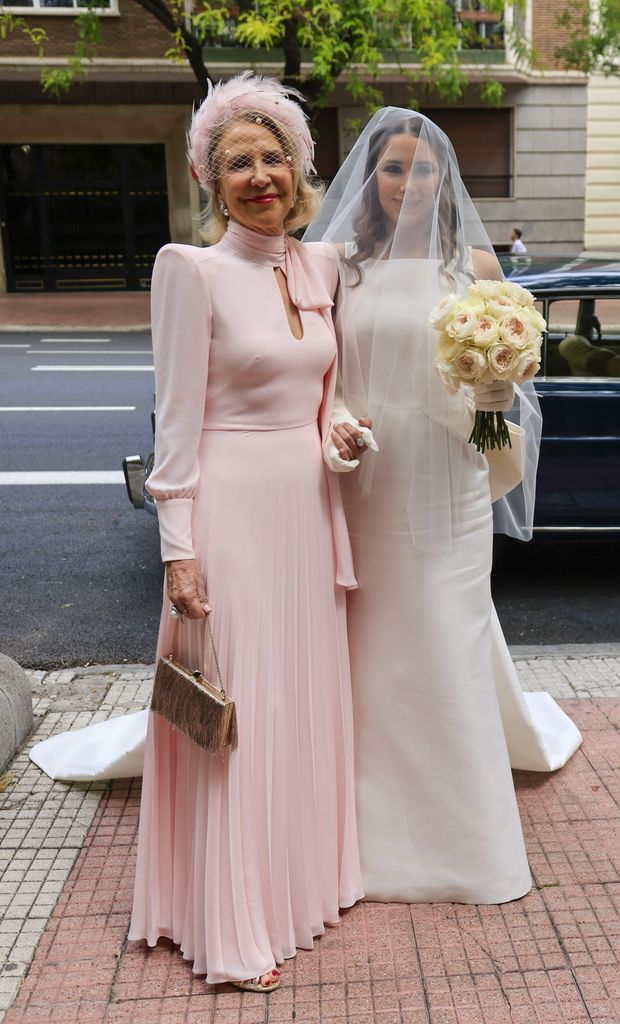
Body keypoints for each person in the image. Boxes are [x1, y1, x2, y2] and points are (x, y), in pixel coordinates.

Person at [303, 108, 582, 903]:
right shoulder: (336, 265)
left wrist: (497, 391)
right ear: (371, 177)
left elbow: (497, 413)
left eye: (423, 170)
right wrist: (339, 426)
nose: (409, 184)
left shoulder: (476, 268)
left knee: (446, 619)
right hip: (369, 475)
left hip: (453, 475)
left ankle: (461, 827)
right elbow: (320, 377)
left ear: (444, 179)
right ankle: (361, 812)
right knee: (375, 631)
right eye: (394, 168)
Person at [124, 73, 364, 990]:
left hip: (305, 513)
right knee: (237, 710)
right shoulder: (192, 271)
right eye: (237, 163)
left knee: (302, 693)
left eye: (273, 158)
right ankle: (233, 929)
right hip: (229, 514)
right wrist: (178, 547)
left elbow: (322, 388)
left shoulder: (323, 264)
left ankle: (305, 885)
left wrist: (339, 426)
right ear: (209, 178)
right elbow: (173, 425)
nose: (260, 176)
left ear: (300, 167)